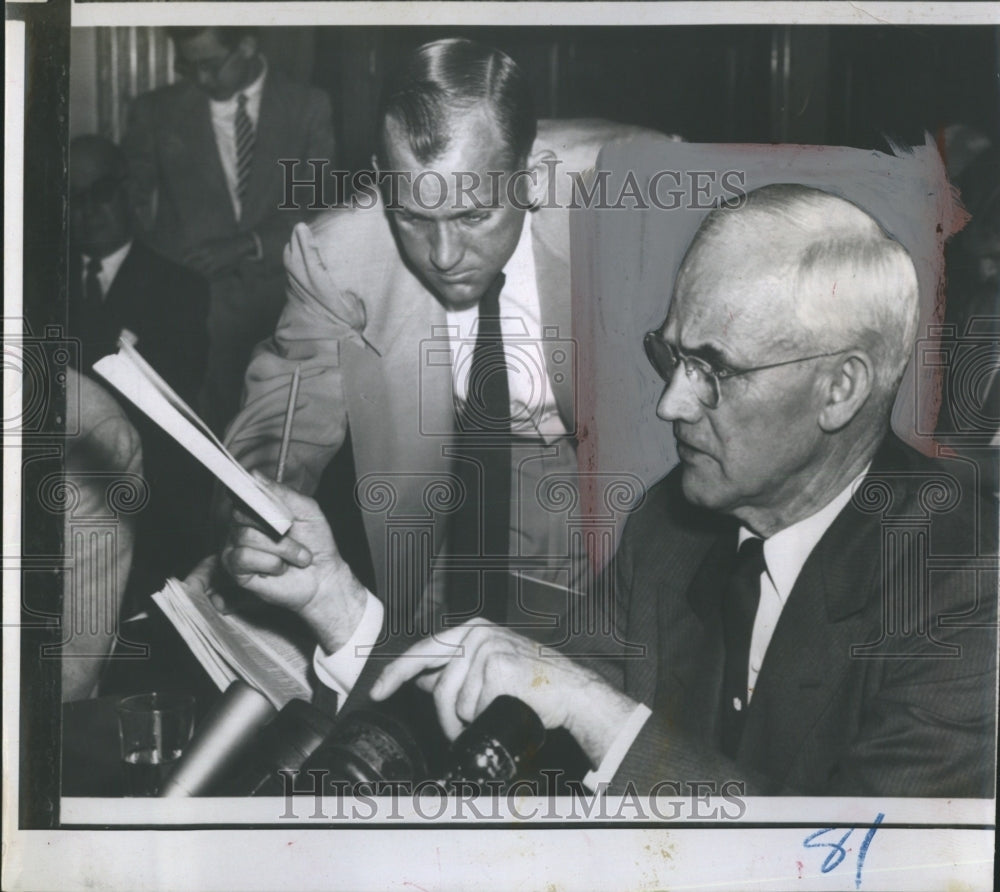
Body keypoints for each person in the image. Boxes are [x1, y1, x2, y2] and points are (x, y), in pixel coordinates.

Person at [221, 183, 997, 797]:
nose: (671, 404)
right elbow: (515, 718)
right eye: (672, 357)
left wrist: (601, 716)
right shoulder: (674, 527)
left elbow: (854, 866)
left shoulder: (967, 585)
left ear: (840, 389)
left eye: (714, 371)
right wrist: (334, 603)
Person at [223, 38, 649, 630]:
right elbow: (282, 419)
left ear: (528, 178)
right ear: (382, 181)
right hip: (440, 492)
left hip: (604, 469)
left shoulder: (624, 204)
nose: (444, 256)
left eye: (474, 215)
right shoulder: (336, 257)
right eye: (413, 217)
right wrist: (260, 508)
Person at [123, 27, 336, 432]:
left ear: (248, 45)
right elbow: (132, 207)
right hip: (189, 314)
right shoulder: (155, 111)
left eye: (210, 64)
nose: (201, 79)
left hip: (281, 308)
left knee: (274, 439)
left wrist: (248, 244)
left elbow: (316, 209)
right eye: (189, 66)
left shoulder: (308, 106)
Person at [69, 134, 211, 599]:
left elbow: (162, 410)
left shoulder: (180, 289)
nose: (88, 210)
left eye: (101, 192)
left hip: (150, 508)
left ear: (128, 191)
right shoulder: (37, 285)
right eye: (74, 197)